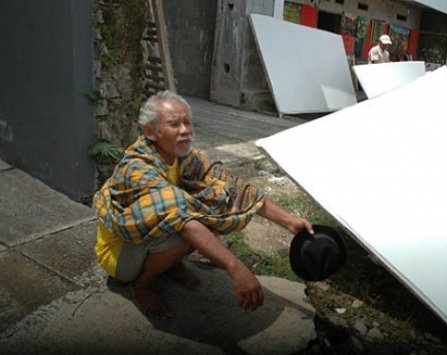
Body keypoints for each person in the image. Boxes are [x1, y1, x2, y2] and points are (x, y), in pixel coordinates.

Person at [93, 90, 314, 318]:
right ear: (151, 132)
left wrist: (288, 221)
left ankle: (168, 265)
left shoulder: (188, 158)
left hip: (154, 237)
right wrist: (236, 268)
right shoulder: (138, 168)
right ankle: (141, 285)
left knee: (213, 210)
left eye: (188, 122)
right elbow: (183, 219)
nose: (185, 130)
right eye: (174, 124)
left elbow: (234, 188)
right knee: (187, 227)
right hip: (120, 256)